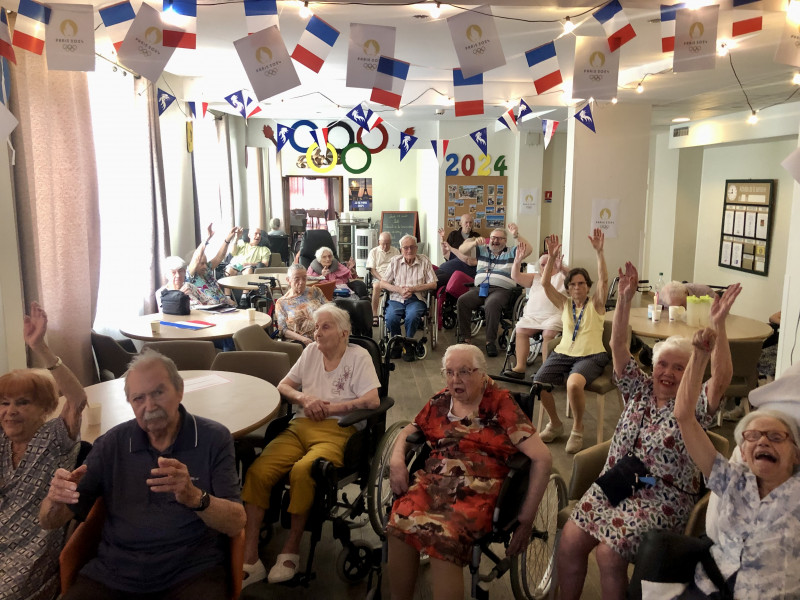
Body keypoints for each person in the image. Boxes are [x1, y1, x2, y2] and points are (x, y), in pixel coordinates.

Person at [555, 264, 739, 600]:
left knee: (608, 554)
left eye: (679, 368)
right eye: (662, 365)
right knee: (569, 539)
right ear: (652, 368)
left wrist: (719, 325)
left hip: (664, 496)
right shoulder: (638, 388)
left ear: (690, 375)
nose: (668, 373)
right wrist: (623, 300)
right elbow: (618, 346)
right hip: (619, 479)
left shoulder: (694, 405)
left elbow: (723, 377)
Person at [40, 350, 246, 599]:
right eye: (139, 398)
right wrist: (55, 499)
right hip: (114, 573)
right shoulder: (112, 443)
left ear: (179, 390)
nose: (150, 406)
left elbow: (236, 522)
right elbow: (49, 521)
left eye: (159, 393)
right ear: (130, 402)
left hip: (191, 572)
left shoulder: (213, 438)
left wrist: (195, 497)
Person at [386, 344, 552, 600]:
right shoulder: (441, 401)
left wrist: (526, 520)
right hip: (434, 480)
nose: (455, 380)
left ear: (482, 374)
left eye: (464, 372)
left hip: (479, 488)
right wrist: (397, 460)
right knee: (399, 523)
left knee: (445, 536)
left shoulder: (501, 404)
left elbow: (542, 458)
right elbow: (409, 430)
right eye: (449, 372)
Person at [240, 305, 380, 586]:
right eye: (316, 327)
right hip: (301, 426)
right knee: (259, 470)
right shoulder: (310, 353)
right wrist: (305, 400)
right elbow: (284, 386)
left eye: (324, 327)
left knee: (304, 471)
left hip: (340, 430)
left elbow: (372, 401)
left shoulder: (358, 356)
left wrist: (331, 408)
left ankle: (291, 549)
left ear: (344, 332)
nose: (317, 332)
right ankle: (250, 555)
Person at [674, 325, 799, 600]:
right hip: (710, 589)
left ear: (796, 453)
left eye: (776, 436)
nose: (763, 441)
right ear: (743, 452)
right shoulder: (732, 479)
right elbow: (684, 417)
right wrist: (698, 356)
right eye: (753, 436)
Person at [1, 303, 85, 600]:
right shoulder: (1, 439)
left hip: (32, 545)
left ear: (46, 408)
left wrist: (40, 347)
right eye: (5, 403)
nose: (10, 412)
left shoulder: (54, 438)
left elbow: (76, 399)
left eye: (23, 403)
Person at [532, 230, 610, 454]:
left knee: (573, 384)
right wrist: (552, 258)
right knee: (539, 381)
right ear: (568, 288)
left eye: (582, 284)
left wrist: (599, 252)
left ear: (588, 286)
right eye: (573, 284)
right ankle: (555, 424)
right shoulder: (564, 304)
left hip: (592, 355)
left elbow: (604, 280)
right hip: (563, 353)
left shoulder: (596, 303)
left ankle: (577, 428)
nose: (577, 288)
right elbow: (546, 284)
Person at [454, 223, 532, 357]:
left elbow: (529, 249)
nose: (495, 241)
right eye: (493, 237)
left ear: (505, 241)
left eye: (499, 238)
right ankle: (465, 338)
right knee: (462, 300)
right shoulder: (483, 249)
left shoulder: (512, 252)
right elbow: (462, 250)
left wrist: (516, 235)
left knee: (492, 304)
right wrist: (473, 243)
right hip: (480, 288)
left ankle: (490, 341)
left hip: (501, 290)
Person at [503, 245, 569, 379]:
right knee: (520, 329)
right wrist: (517, 261)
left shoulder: (563, 277)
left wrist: (562, 268)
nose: (546, 266)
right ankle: (520, 367)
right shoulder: (536, 277)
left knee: (548, 332)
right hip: (533, 316)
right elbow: (515, 276)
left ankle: (546, 370)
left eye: (549, 262)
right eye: (542, 264)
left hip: (555, 315)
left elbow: (572, 278)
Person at [380, 234, 437, 349]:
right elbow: (383, 283)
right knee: (391, 318)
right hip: (396, 298)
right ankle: (397, 342)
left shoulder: (424, 261)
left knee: (412, 316)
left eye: (412, 247)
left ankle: (409, 343)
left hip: (416, 299)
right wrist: (399, 290)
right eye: (406, 248)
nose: (409, 250)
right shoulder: (394, 261)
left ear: (417, 248)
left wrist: (413, 289)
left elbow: (433, 284)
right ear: (401, 250)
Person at [275, 264, 327, 346]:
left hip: (324, 336)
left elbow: (329, 310)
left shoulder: (315, 291)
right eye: (297, 279)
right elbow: (283, 330)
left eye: (304, 278)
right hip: (300, 342)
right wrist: (303, 339)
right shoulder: (281, 303)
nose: (301, 282)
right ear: (288, 280)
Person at [186, 223, 237, 308]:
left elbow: (219, 257)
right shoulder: (191, 276)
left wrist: (228, 239)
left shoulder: (207, 270)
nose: (205, 266)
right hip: (212, 311)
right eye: (202, 263)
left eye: (205, 263)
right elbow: (196, 258)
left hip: (225, 307)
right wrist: (206, 239)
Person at [436, 214, 481, 288]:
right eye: (466, 222)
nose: (468, 225)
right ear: (461, 223)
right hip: (447, 266)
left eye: (470, 222)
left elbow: (467, 259)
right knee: (429, 277)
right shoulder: (453, 234)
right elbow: (445, 253)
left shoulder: (476, 237)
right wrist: (442, 240)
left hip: (456, 272)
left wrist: (451, 248)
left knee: (433, 281)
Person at [366, 231, 400, 319]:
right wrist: (382, 279)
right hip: (379, 277)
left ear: (391, 243)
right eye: (383, 244)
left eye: (387, 244)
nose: (385, 247)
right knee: (376, 286)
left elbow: (399, 267)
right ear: (379, 242)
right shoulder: (373, 252)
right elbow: (372, 270)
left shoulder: (395, 251)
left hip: (393, 277)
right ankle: (374, 313)